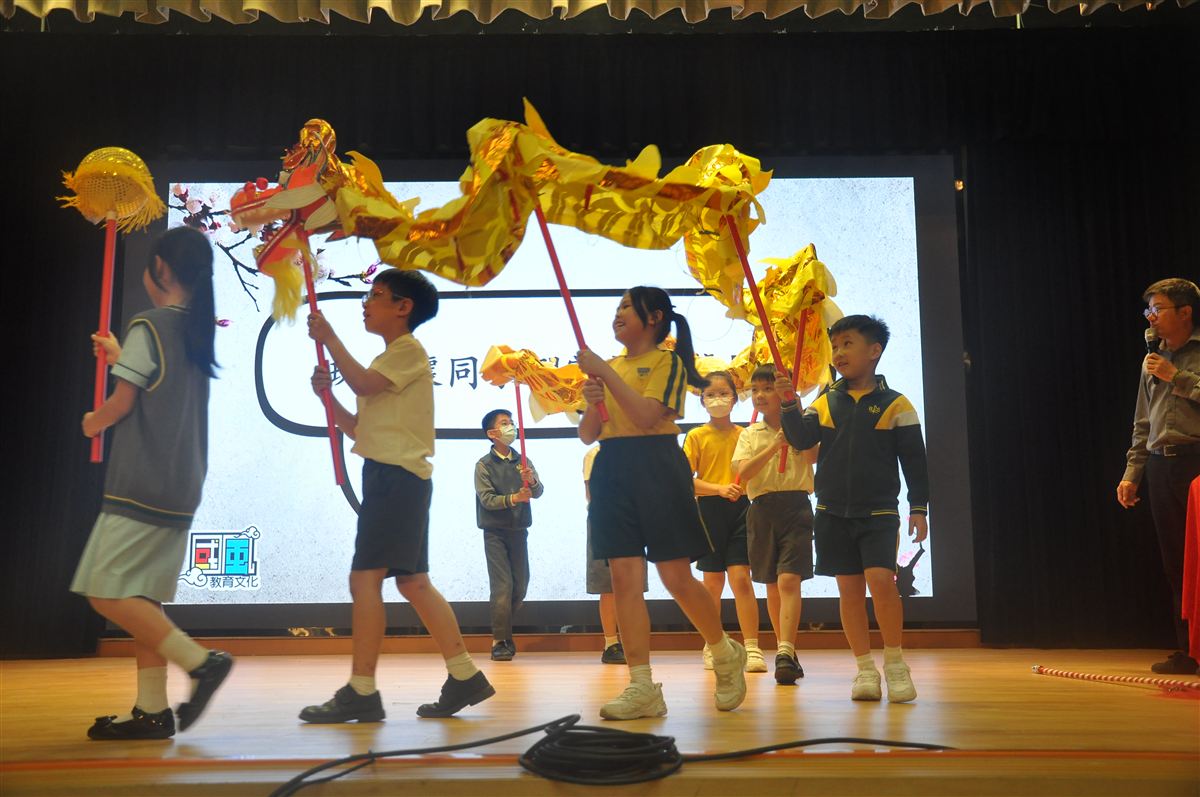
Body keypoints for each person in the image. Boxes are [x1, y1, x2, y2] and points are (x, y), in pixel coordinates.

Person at [300, 268, 494, 722]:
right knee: (413, 582)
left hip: (395, 479)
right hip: (397, 478)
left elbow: (363, 384)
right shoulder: (390, 358)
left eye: (377, 295)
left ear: (403, 308)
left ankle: (362, 690)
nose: (366, 303)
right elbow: (360, 428)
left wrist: (329, 338)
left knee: (364, 580)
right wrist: (328, 400)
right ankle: (465, 675)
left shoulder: (406, 351)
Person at [72, 225, 232, 740]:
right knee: (142, 596)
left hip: (141, 482)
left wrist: (91, 422)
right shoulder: (191, 329)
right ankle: (151, 710)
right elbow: (158, 385)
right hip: (180, 482)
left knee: (103, 591)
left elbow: (122, 404)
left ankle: (201, 662)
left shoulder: (150, 323)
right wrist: (121, 355)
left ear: (160, 268)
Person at [577, 286, 747, 720]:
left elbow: (647, 415)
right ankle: (642, 685)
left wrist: (605, 375)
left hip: (657, 467)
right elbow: (588, 435)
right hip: (612, 468)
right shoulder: (608, 368)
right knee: (624, 580)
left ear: (653, 318)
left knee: (676, 576)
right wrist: (593, 402)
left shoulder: (667, 362)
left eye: (626, 307)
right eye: (616, 307)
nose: (617, 314)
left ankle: (724, 653)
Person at [778, 315, 929, 703]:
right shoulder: (825, 402)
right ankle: (864, 669)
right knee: (849, 591)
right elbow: (800, 440)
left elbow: (915, 460)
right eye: (835, 346)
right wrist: (789, 405)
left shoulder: (897, 404)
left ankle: (895, 664)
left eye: (848, 344)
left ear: (874, 351)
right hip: (831, 512)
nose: (839, 353)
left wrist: (918, 507)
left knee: (882, 581)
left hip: (879, 512)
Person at [1116, 278, 1200, 674]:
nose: (1150, 317)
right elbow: (1142, 422)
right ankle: (1189, 650)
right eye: (1148, 310)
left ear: (1185, 312)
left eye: (1158, 308)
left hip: (1197, 464)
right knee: (1176, 563)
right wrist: (1132, 473)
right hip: (1162, 466)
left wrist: (1176, 376)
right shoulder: (1152, 359)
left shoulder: (1185, 357)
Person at [732, 364, 817, 686]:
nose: (759, 395)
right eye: (755, 390)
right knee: (771, 584)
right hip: (762, 510)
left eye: (768, 388)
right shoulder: (749, 434)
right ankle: (787, 650)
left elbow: (812, 456)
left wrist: (794, 422)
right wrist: (774, 446)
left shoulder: (803, 425)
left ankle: (784, 651)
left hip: (797, 506)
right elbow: (743, 474)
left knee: (789, 580)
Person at [683, 371, 766, 673]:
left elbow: (756, 472)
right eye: (710, 395)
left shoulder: (747, 434)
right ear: (702, 400)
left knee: (741, 579)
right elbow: (685, 481)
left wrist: (741, 487)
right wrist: (718, 488)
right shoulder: (696, 436)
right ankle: (713, 645)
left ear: (734, 398)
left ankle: (752, 647)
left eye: (723, 393)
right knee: (712, 583)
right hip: (708, 511)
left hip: (742, 509)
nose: (717, 399)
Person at [475, 408, 543, 661]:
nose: (511, 427)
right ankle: (499, 640)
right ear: (492, 433)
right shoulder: (483, 465)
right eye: (504, 423)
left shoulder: (523, 461)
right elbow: (487, 499)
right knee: (502, 587)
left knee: (520, 587)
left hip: (519, 530)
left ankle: (504, 633)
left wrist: (531, 481)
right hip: (495, 533)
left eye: (511, 422)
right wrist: (514, 498)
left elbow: (538, 492)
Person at [583, 444, 647, 664]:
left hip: (634, 522)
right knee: (607, 585)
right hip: (604, 520)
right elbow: (591, 494)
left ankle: (634, 643)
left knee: (634, 584)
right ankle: (611, 644)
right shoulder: (594, 454)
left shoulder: (637, 453)